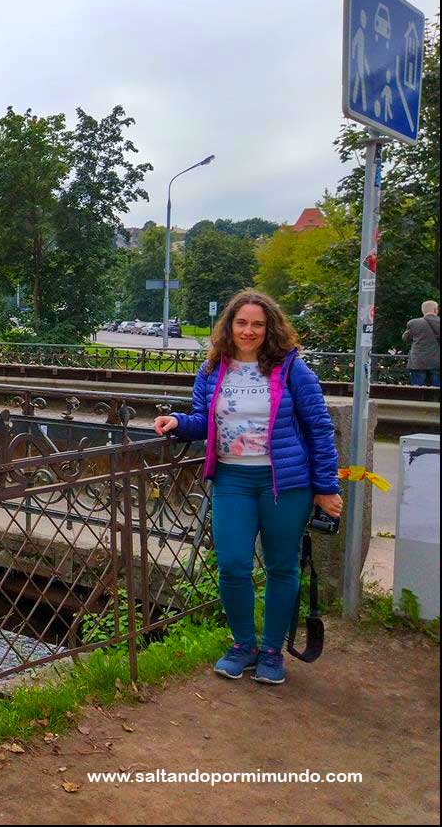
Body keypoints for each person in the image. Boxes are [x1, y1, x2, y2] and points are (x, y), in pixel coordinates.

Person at [153, 289, 343, 686]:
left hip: (285, 483)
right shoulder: (212, 370)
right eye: (241, 323)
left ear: (270, 328)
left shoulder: (292, 369)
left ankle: (271, 651)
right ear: (230, 326)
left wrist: (326, 487)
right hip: (232, 479)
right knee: (233, 564)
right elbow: (203, 420)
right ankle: (243, 645)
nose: (249, 331)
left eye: (258, 324)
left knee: (281, 566)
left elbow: (319, 428)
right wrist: (178, 422)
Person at [402, 300, 440, 387]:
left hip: (418, 362)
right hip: (437, 362)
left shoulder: (413, 323)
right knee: (437, 389)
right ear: (435, 310)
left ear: (423, 311)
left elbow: (405, 338)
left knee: (417, 390)